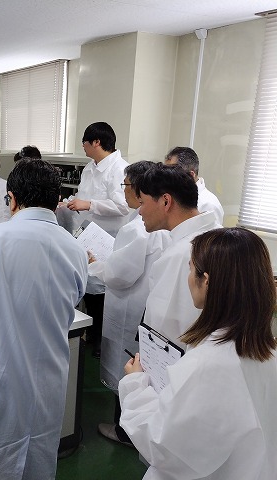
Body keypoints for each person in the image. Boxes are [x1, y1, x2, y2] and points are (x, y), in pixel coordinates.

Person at [0, 159, 88, 480]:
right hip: (49, 386)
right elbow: (72, 301)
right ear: (56, 200)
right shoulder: (75, 249)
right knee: (38, 462)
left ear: (11, 199)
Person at [119, 227, 277, 479]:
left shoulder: (209, 364)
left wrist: (135, 384)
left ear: (206, 281)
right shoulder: (267, 351)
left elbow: (162, 445)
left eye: (191, 269)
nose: (188, 278)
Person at [89, 161, 171, 446]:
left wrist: (96, 263)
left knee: (127, 368)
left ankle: (124, 430)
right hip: (147, 308)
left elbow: (119, 275)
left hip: (129, 308)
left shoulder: (138, 228)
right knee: (144, 369)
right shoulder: (161, 225)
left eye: (124, 185)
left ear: (138, 190)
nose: (122, 191)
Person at [60, 121, 130, 358]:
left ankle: (100, 340)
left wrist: (89, 204)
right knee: (88, 285)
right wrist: (69, 204)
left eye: (85, 142)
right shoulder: (90, 168)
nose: (83, 147)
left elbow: (123, 206)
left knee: (103, 290)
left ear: (97, 142)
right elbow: (82, 198)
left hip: (109, 239)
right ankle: (89, 335)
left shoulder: (120, 169)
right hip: (87, 234)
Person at [137, 163, 220, 348]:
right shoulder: (218, 235)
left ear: (166, 201)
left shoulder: (181, 255)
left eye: (142, 202)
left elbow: (160, 329)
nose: (140, 211)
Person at [164, 146, 224, 225]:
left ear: (190, 175)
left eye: (172, 174)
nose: (166, 179)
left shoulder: (209, 205)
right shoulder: (171, 197)